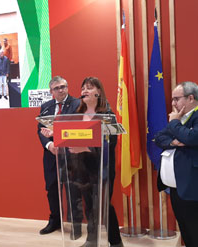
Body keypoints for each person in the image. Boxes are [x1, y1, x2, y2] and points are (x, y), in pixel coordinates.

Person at [155, 81, 198, 247]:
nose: (173, 104)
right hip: (178, 188)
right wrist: (177, 141)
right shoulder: (180, 119)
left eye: (176, 99)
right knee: (187, 233)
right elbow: (159, 138)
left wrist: (175, 124)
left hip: (197, 187)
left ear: (191, 98)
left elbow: (192, 138)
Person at [66, 77, 123, 247]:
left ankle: (115, 242)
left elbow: (110, 143)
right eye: (83, 88)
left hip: (101, 167)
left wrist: (86, 148)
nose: (84, 91)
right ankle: (92, 240)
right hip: (81, 168)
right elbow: (70, 135)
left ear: (98, 92)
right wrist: (54, 135)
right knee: (89, 205)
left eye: (89, 88)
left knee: (104, 206)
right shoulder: (77, 113)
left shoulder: (107, 114)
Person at [37, 76, 80, 235]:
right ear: (51, 91)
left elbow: (77, 128)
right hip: (51, 156)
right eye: (57, 88)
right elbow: (40, 130)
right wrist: (49, 145)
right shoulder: (46, 107)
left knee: (73, 190)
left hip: (71, 155)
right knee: (52, 189)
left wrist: (60, 140)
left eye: (64, 86)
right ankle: (55, 220)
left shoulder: (77, 104)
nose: (61, 90)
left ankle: (76, 225)